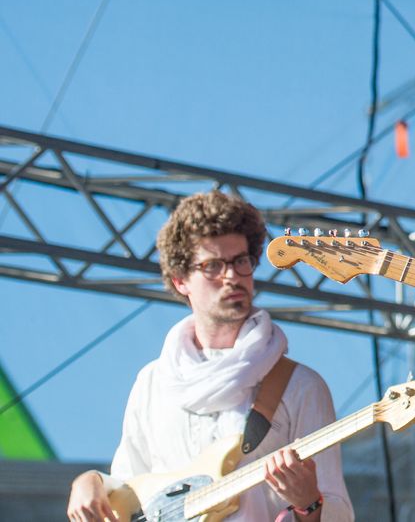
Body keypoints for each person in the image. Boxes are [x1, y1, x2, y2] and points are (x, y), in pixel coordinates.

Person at [67, 191, 354, 522]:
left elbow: (339, 510)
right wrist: (89, 482)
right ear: (180, 280)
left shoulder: (299, 385)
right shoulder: (153, 382)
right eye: (213, 266)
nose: (231, 276)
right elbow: (130, 492)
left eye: (240, 261)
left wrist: (309, 503)